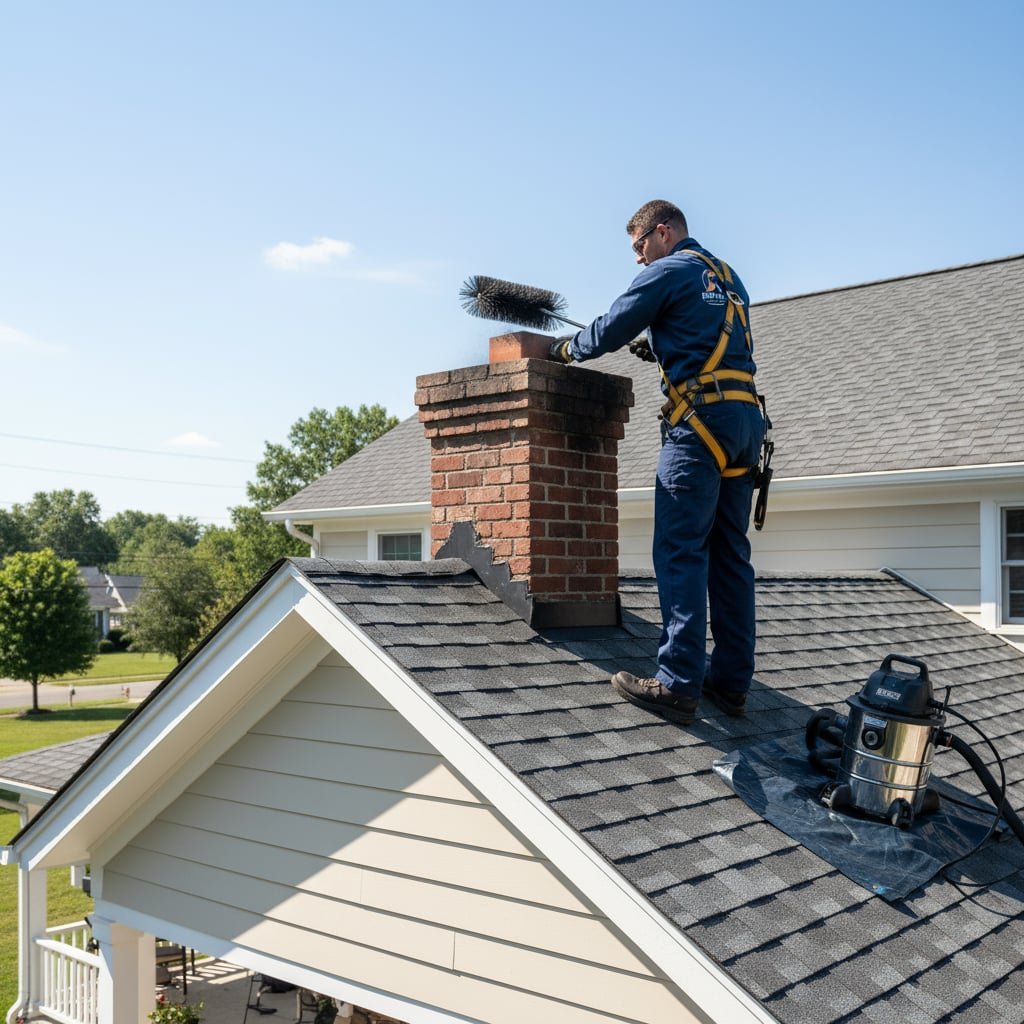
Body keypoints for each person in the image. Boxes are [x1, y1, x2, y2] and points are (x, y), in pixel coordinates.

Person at [549, 200, 764, 724]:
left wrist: (565, 351)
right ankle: (731, 684)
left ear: (663, 232)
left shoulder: (668, 270)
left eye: (640, 246)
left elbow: (610, 326)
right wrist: (662, 346)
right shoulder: (727, 275)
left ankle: (676, 683)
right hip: (744, 423)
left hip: (700, 426)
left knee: (680, 550)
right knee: (730, 554)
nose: (639, 259)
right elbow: (702, 332)